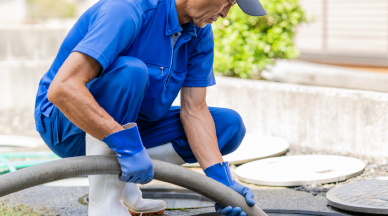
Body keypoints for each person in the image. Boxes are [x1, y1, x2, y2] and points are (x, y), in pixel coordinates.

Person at [34, 0, 266, 215]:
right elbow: (63, 89)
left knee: (228, 126)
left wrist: (219, 182)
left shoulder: (199, 33)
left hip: (132, 127)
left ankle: (125, 179)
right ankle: (104, 202)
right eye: (227, 0)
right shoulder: (127, 9)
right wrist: (126, 146)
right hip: (67, 125)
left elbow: (194, 110)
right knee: (131, 72)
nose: (225, 13)